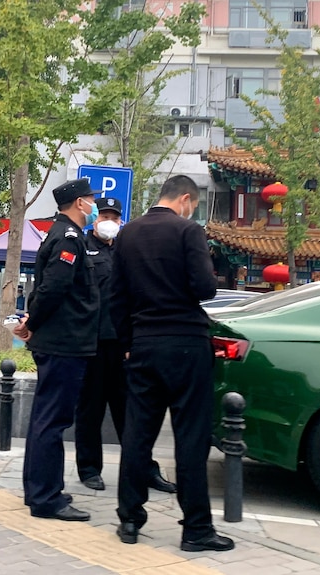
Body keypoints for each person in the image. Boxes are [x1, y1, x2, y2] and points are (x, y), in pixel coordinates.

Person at [111, 176, 233, 552]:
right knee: (190, 439)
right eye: (192, 205)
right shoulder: (188, 231)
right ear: (184, 199)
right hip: (186, 345)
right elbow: (204, 289)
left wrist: (129, 344)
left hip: (143, 345)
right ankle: (196, 530)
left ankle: (130, 519)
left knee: (137, 436)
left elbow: (115, 298)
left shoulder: (126, 234)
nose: (190, 211)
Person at [74, 198, 177, 494]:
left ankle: (144, 469)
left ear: (122, 221)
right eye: (104, 215)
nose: (109, 220)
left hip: (124, 346)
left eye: (114, 217)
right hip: (91, 344)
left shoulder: (128, 250)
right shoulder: (81, 248)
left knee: (132, 413)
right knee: (90, 411)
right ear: (95, 218)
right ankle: (89, 469)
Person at [12, 179, 99, 522]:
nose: (94, 206)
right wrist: (33, 322)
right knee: (53, 420)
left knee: (43, 418)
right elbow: (54, 288)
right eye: (91, 200)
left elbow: (48, 289)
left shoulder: (60, 233)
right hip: (64, 343)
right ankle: (47, 498)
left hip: (59, 340)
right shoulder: (69, 238)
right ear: (80, 203)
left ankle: (38, 489)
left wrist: (34, 320)